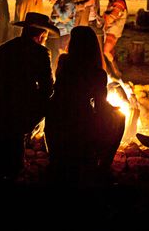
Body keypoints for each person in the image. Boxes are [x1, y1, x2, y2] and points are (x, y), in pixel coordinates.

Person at [0, 12, 60, 182]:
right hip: (18, 112)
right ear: (42, 34)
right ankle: (12, 173)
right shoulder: (41, 52)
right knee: (12, 154)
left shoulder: (4, 48)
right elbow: (47, 88)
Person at [44, 26, 125, 188]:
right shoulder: (97, 73)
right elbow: (101, 106)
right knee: (120, 118)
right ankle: (103, 167)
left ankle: (57, 160)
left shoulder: (64, 62)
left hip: (56, 117)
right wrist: (112, 111)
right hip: (79, 122)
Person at [47, 0, 75, 75]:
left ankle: (64, 74)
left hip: (65, 32)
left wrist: (56, 8)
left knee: (62, 53)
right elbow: (53, 17)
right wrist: (59, 18)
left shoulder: (69, 3)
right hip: (57, 31)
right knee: (56, 55)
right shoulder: (59, 2)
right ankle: (57, 74)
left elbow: (63, 17)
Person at [102, 0, 127, 79]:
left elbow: (111, 17)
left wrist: (106, 18)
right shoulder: (112, 0)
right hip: (109, 29)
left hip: (114, 30)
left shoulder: (119, 2)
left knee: (106, 51)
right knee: (109, 51)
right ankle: (111, 72)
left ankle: (116, 71)